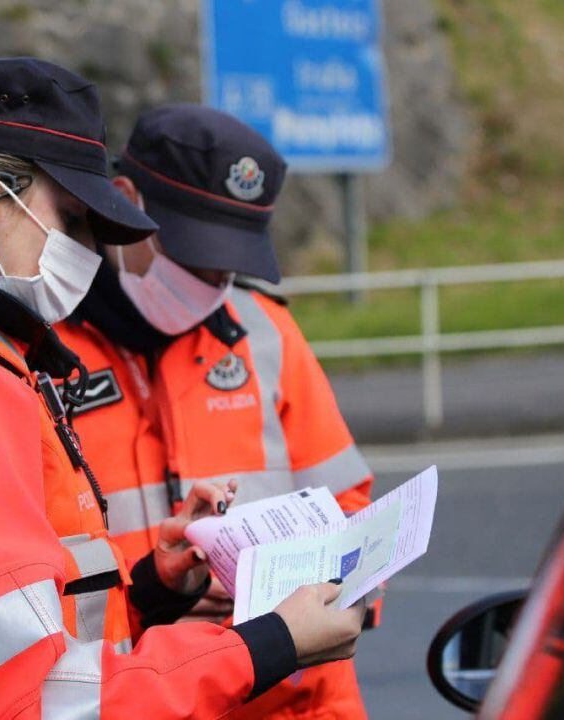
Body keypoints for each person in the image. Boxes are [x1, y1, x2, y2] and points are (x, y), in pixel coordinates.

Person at [0, 59, 365, 719]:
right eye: (75, 221)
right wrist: (266, 644)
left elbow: (16, 632)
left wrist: (150, 588)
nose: (90, 252)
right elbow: (33, 700)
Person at [55, 104, 379, 719]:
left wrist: (335, 596)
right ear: (125, 201)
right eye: (197, 256)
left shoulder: (267, 332)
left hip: (298, 704)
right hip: (139, 699)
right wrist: (158, 594)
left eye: (230, 262)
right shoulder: (39, 354)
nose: (213, 280)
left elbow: (353, 512)